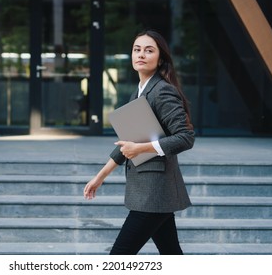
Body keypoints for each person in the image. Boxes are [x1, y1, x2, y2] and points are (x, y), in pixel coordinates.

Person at [83, 30, 195, 255]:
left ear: (160, 58)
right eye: (137, 49)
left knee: (119, 257)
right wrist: (100, 176)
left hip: (155, 192)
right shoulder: (139, 92)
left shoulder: (162, 91)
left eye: (149, 50)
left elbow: (185, 137)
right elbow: (128, 143)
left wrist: (141, 148)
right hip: (151, 191)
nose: (141, 54)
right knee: (171, 253)